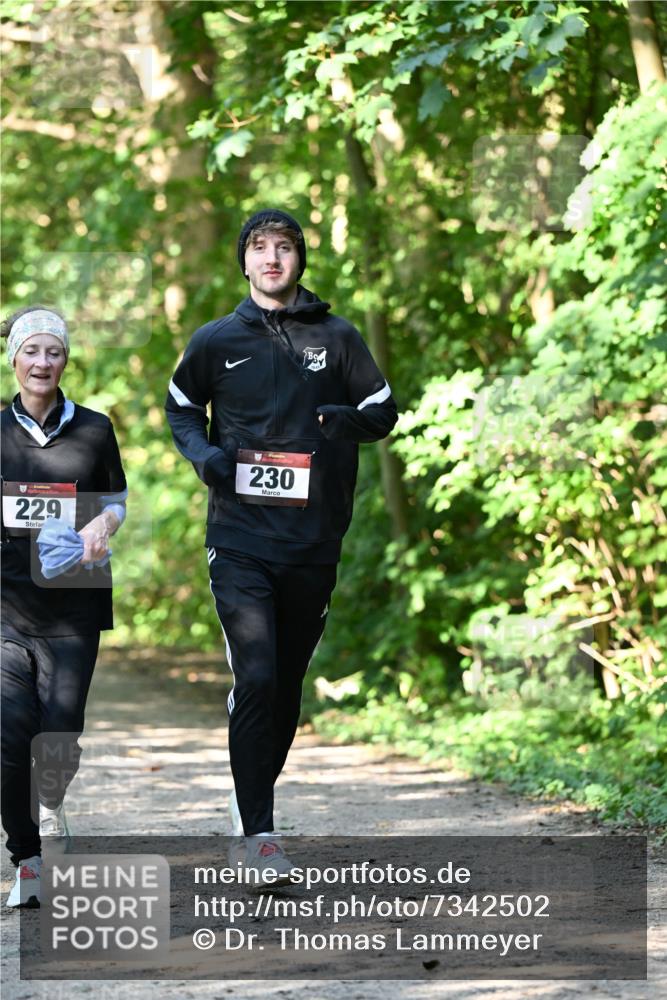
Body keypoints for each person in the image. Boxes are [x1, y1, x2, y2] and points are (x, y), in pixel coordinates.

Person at [166, 209, 398, 882]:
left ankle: (247, 805)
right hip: (238, 538)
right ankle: (260, 835)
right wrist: (207, 457)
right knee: (258, 676)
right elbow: (180, 406)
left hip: (314, 540)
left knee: (286, 690)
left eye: (285, 248)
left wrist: (344, 418)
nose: (272, 258)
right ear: (243, 261)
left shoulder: (338, 336)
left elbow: (383, 410)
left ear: (299, 260)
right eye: (260, 248)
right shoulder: (214, 340)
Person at [1, 305, 127, 907]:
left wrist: (104, 521)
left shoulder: (95, 429)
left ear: (65, 360)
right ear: (14, 360)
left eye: (53, 352)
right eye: (31, 352)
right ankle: (26, 859)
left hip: (74, 604)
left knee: (61, 733)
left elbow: (116, 499)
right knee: (6, 740)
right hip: (4, 607)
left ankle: (50, 801)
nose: (42, 363)